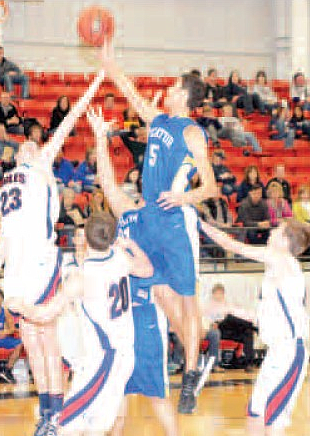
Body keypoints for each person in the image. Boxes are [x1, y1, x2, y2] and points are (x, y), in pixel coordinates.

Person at [0, 73, 104, 436]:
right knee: (32, 344)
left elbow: (68, 122)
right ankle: (48, 415)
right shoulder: (5, 187)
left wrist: (97, 79)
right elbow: (2, 240)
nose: (27, 149)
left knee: (48, 341)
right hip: (16, 269)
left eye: (33, 147)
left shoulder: (41, 168)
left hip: (41, 261)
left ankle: (59, 418)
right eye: (22, 148)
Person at [98, 41, 218, 414]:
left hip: (174, 218)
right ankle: (199, 350)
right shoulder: (158, 120)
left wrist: (184, 198)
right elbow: (128, 89)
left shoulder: (194, 133)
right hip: (149, 216)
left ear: (184, 95)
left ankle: (192, 373)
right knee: (165, 298)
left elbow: (211, 186)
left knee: (186, 299)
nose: (166, 90)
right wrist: (108, 59)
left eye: (173, 87)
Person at [8, 213, 152, 436]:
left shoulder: (82, 276)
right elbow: (147, 269)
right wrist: (131, 245)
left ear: (85, 239)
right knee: (92, 431)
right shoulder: (120, 258)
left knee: (67, 429)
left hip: (104, 360)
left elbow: (44, 314)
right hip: (122, 353)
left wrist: (20, 306)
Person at [85, 118, 190, 436]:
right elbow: (106, 180)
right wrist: (101, 138)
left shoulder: (161, 216)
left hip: (145, 314)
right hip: (120, 316)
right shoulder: (127, 214)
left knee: (156, 395)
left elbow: (162, 281)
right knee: (117, 392)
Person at [200, 219, 310, 436]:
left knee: (274, 428)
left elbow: (232, 245)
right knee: (255, 421)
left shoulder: (281, 259)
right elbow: (261, 318)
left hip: (289, 351)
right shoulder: (280, 273)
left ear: (285, 240)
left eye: (277, 229)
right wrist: (227, 307)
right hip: (277, 353)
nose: (271, 232)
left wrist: (197, 222)